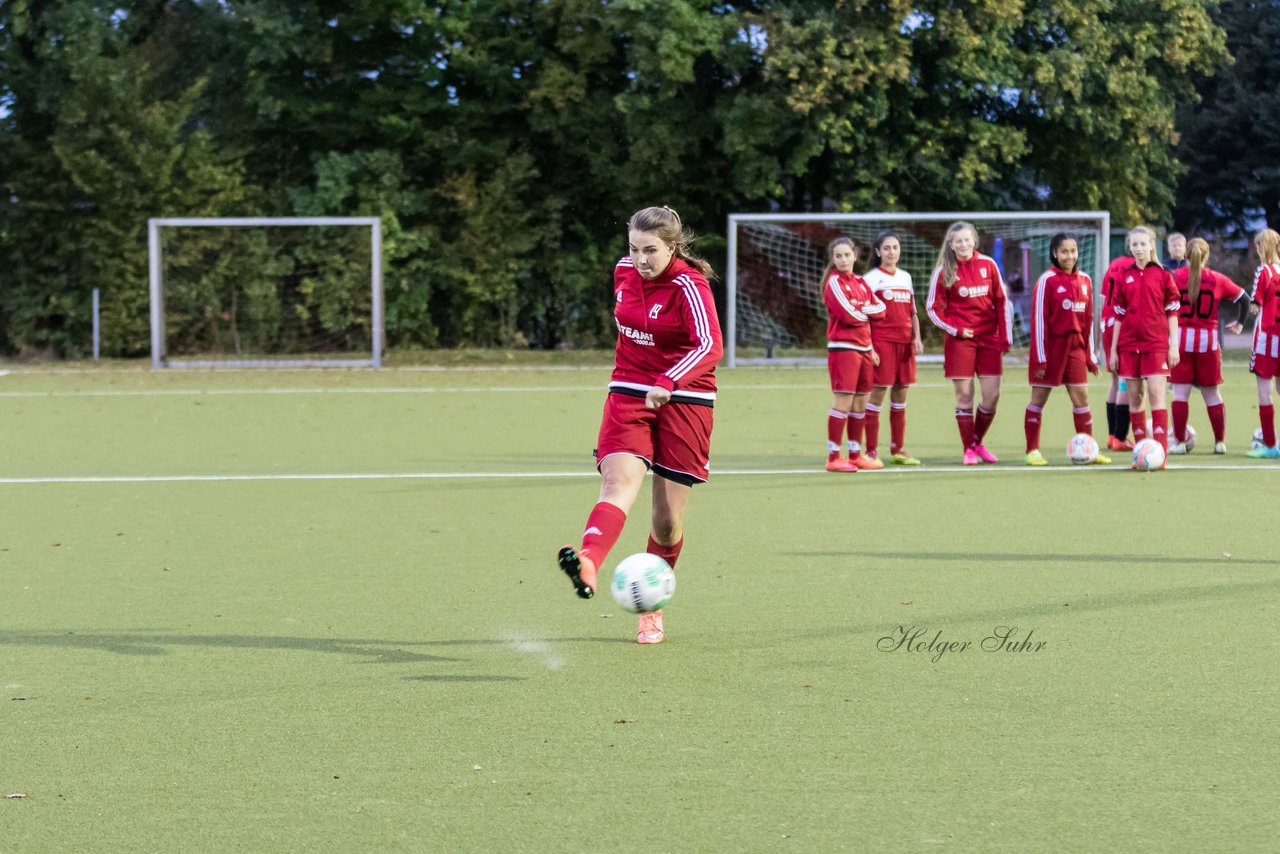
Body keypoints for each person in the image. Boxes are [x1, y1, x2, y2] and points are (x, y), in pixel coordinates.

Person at [557, 206, 723, 644]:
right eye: (633, 249)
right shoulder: (623, 272)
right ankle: (588, 562)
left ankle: (650, 609)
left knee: (666, 522)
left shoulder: (690, 284)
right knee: (617, 483)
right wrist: (648, 383)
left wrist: (669, 381)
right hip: (629, 390)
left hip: (686, 397)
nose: (640, 260)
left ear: (673, 247)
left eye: (650, 250)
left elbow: (710, 345)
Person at [926, 221, 1013, 465]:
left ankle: (976, 441)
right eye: (958, 241)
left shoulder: (988, 264)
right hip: (959, 341)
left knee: (992, 395)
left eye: (967, 240)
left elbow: (1001, 302)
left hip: (989, 339)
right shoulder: (944, 271)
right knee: (964, 395)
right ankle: (968, 449)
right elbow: (933, 310)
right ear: (951, 245)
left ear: (974, 241)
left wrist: (1005, 339)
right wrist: (956, 330)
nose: (963, 244)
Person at [1023, 233, 1111, 465]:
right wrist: (1041, 359)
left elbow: (1088, 322)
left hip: (1076, 349)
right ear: (1055, 253)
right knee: (1039, 399)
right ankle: (1032, 450)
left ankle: (1089, 449)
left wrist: (1091, 358)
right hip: (1051, 349)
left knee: (1081, 398)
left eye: (1073, 251)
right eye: (1064, 252)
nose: (1069, 256)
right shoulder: (1046, 281)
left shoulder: (1085, 280)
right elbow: (1039, 322)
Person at [1168, 237, 1248, 454]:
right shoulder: (1217, 279)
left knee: (1180, 394)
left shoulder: (1175, 277)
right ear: (1207, 256)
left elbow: (1163, 305)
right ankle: (1220, 443)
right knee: (1212, 394)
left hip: (1181, 342)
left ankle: (1179, 442)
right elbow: (1244, 299)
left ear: (1185, 255)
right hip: (1208, 343)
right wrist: (1240, 323)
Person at [1108, 226, 1180, 464]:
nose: (1138, 248)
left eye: (1143, 244)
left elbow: (1172, 314)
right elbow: (1118, 316)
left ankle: (1160, 455)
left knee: (1156, 395)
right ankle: (1140, 452)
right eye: (1134, 244)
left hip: (1156, 344)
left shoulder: (1163, 275)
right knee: (1136, 399)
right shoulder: (1123, 276)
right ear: (1130, 247)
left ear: (1152, 245)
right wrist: (1113, 351)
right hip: (1128, 346)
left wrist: (1174, 346)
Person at [821, 236, 886, 471]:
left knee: (861, 403)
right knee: (843, 402)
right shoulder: (834, 284)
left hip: (865, 349)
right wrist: (864, 310)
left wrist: (862, 309)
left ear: (855, 256)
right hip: (843, 349)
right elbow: (850, 316)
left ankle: (855, 454)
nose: (843, 259)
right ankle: (833, 457)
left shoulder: (860, 281)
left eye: (847, 255)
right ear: (833, 259)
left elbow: (881, 309)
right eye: (838, 256)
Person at [863, 231, 923, 466]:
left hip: (904, 344)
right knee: (877, 393)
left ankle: (898, 449)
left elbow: (913, 312)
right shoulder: (870, 279)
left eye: (895, 247)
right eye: (886, 248)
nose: (891, 252)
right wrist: (870, 347)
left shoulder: (905, 278)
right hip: (882, 343)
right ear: (878, 252)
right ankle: (870, 451)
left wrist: (917, 337)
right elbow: (864, 317)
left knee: (901, 393)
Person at [1246, 228, 1280, 459]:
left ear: (1262, 247)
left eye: (1258, 247)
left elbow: (1255, 305)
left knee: (1264, 392)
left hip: (1266, 338)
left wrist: (1251, 308)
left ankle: (1270, 445)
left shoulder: (1264, 271)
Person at [1101, 246, 1137, 451]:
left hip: (1107, 321)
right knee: (1125, 377)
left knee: (1115, 378)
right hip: (1121, 324)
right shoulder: (1133, 267)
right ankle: (1121, 438)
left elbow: (1104, 295)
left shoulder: (1113, 264)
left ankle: (1113, 434)